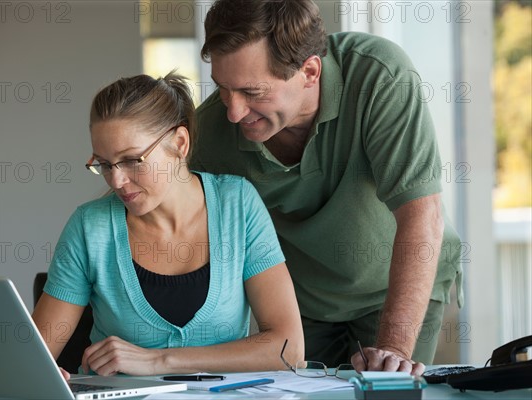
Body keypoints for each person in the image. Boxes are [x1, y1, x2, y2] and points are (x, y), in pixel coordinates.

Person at [192, 0, 463, 375]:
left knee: (389, 388)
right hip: (305, 305)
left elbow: (421, 214)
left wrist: (392, 349)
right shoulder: (210, 132)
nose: (234, 112)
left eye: (253, 92)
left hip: (396, 290)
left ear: (309, 71)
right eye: (223, 88)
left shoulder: (379, 76)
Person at [31, 71, 304, 377]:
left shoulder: (238, 205)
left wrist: (160, 360)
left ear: (180, 143)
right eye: (106, 165)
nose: (117, 181)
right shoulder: (89, 227)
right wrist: (43, 377)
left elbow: (289, 348)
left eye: (133, 160)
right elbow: (30, 362)